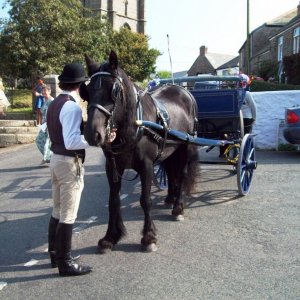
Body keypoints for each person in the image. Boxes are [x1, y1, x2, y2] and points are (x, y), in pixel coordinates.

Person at [46, 63, 92, 277]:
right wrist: (94, 140)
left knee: (57, 209)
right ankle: (65, 263)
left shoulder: (54, 103)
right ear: (80, 86)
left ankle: (55, 254)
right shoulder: (72, 106)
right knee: (68, 214)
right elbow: (72, 141)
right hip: (68, 162)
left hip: (55, 159)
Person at [35, 84, 54, 164]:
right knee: (38, 140)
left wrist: (49, 125)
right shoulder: (44, 100)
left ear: (49, 91)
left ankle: (47, 158)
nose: (43, 92)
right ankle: (48, 157)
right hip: (44, 125)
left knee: (47, 142)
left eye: (45, 90)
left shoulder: (52, 101)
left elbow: (53, 114)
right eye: (42, 90)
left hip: (49, 125)